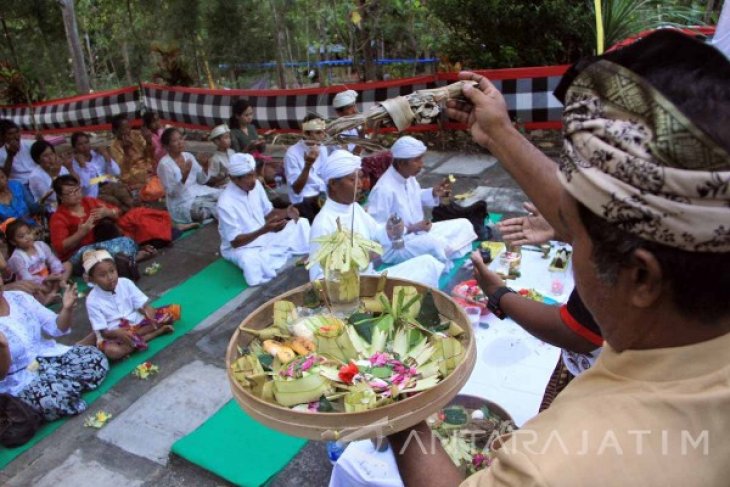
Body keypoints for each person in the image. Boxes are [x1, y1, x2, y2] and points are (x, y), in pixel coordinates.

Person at [390, 31, 730, 486]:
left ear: (642, 278)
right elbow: (596, 209)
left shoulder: (561, 464)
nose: (565, 238)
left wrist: (398, 407)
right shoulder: (709, 233)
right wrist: (498, 133)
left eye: (572, 237)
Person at [310, 150, 445, 289]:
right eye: (352, 179)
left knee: (428, 264)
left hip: (372, 278)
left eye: (360, 178)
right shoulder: (323, 223)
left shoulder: (354, 208)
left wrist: (390, 231)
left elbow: (376, 231)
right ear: (333, 183)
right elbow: (318, 280)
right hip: (354, 293)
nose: (360, 184)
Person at [0, 277, 108, 421]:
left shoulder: (19, 298)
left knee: (95, 358)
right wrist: (4, 347)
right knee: (51, 399)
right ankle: (64, 388)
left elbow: (56, 327)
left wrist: (67, 308)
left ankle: (64, 387)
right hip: (19, 381)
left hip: (48, 358)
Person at [367, 135, 477, 261]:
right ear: (402, 163)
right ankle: (441, 253)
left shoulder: (408, 177)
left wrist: (433, 193)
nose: (421, 164)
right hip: (397, 245)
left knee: (465, 224)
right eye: (417, 160)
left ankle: (441, 253)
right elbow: (376, 231)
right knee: (434, 243)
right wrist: (410, 229)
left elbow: (417, 196)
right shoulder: (383, 189)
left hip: (420, 232)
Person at [216, 153, 310, 286]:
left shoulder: (256, 186)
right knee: (250, 261)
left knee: (302, 223)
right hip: (242, 248)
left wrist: (286, 212)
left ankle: (276, 254)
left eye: (253, 174)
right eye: (247, 177)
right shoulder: (225, 203)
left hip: (265, 236)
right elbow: (235, 242)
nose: (252, 179)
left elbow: (269, 212)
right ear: (233, 179)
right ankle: (274, 255)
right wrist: (264, 230)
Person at [83, 250, 180, 361]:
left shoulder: (125, 282)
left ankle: (137, 341)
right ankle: (156, 333)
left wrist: (149, 314)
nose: (110, 277)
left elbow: (142, 306)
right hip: (114, 334)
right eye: (102, 275)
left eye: (112, 271)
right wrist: (118, 333)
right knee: (112, 352)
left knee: (170, 313)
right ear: (92, 279)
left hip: (136, 323)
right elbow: (104, 332)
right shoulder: (92, 300)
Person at [49, 175, 154, 273]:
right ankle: (130, 259)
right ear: (60, 197)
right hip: (79, 255)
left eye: (77, 189)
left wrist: (108, 212)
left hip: (101, 245)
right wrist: (81, 233)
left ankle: (126, 259)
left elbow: (117, 211)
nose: (76, 194)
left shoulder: (89, 202)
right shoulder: (58, 218)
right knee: (94, 253)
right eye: (71, 192)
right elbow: (60, 248)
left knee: (123, 239)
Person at [157, 128, 222, 224]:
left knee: (224, 195)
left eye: (180, 139)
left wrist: (205, 167)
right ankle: (216, 211)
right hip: (182, 202)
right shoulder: (164, 164)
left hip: (199, 192)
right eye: (175, 141)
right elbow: (172, 193)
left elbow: (201, 180)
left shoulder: (188, 156)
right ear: (167, 146)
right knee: (198, 211)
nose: (180, 142)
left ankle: (217, 211)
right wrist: (184, 178)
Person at [5, 219, 72, 306]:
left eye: (28, 233)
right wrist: (45, 279)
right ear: (13, 242)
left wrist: (57, 273)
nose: (27, 237)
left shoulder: (40, 245)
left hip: (49, 279)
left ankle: (56, 288)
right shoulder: (17, 257)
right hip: (36, 284)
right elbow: (26, 278)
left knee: (67, 265)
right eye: (21, 236)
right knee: (31, 289)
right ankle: (48, 297)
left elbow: (53, 261)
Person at [70, 132, 135, 212]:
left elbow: (116, 172)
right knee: (114, 202)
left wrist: (106, 155)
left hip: (109, 184)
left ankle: (132, 214)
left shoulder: (97, 155)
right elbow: (86, 184)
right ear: (74, 148)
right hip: (95, 192)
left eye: (86, 142)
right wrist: (83, 166)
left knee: (126, 197)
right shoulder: (74, 164)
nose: (85, 146)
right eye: (80, 144)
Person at [283, 113, 328, 222]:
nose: (322, 135)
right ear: (306, 134)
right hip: (304, 202)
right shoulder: (292, 153)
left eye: (323, 131)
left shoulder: (323, 148)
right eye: (318, 132)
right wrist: (308, 165)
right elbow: (297, 189)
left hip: (322, 197)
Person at [108, 114, 156, 189]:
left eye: (128, 127)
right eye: (124, 129)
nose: (128, 131)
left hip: (147, 164)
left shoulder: (136, 134)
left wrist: (148, 142)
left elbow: (148, 155)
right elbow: (123, 169)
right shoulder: (114, 147)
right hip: (132, 171)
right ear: (115, 131)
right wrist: (127, 152)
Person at [27, 140, 70, 214]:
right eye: (45, 156)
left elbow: (72, 185)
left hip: (68, 203)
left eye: (52, 154)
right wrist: (55, 176)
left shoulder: (62, 168)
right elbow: (52, 198)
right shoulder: (35, 177)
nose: (51, 158)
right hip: (50, 210)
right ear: (38, 159)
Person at [0, 120, 39, 185]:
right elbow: (4, 176)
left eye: (17, 132)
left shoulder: (31, 144)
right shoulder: (1, 152)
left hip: (38, 179)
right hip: (20, 184)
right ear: (3, 137)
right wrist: (10, 156)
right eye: (10, 134)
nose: (16, 136)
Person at [331, 89, 361, 154]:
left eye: (354, 106)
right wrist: (362, 135)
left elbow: (369, 150)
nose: (355, 111)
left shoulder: (355, 128)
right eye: (350, 108)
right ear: (339, 112)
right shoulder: (336, 132)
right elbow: (350, 157)